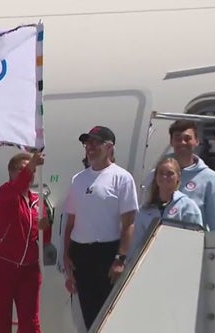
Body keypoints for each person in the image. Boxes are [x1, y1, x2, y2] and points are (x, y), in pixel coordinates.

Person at [63, 125, 139, 330]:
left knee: (108, 313)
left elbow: (129, 223)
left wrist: (120, 258)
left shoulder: (122, 178)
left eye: (95, 143)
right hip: (81, 254)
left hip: (106, 253)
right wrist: (66, 254)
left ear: (109, 147)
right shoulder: (78, 179)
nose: (90, 147)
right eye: (87, 143)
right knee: (86, 315)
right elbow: (70, 221)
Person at [0, 152, 51, 333]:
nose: (29, 173)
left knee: (30, 323)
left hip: (28, 268)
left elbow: (43, 240)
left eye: (32, 170)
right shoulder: (6, 192)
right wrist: (32, 164)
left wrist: (46, 227)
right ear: (11, 172)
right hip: (1, 265)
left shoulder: (38, 202)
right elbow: (18, 186)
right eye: (22, 169)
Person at [143, 120, 215, 231]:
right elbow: (145, 209)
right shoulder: (157, 175)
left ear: (196, 141)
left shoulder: (209, 177)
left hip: (193, 241)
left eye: (187, 139)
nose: (182, 143)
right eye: (178, 139)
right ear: (171, 142)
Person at [129, 157, 202, 259]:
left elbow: (196, 242)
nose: (164, 177)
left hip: (177, 262)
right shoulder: (145, 210)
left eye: (170, 173)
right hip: (149, 263)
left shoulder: (188, 207)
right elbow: (136, 244)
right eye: (161, 173)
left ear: (178, 177)